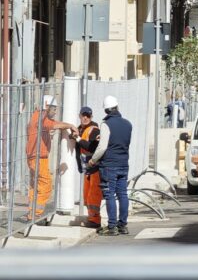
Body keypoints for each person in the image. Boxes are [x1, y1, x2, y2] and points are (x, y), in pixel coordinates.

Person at [25, 95, 78, 223]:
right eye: (54, 109)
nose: (55, 112)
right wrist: (70, 125)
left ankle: (32, 213)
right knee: (46, 185)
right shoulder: (41, 117)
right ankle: (35, 215)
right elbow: (54, 125)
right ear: (46, 106)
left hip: (34, 156)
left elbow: (49, 126)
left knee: (35, 186)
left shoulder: (37, 116)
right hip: (38, 157)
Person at [88, 96, 132, 236]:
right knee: (123, 194)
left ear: (106, 110)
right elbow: (120, 142)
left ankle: (112, 227)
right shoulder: (128, 124)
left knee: (109, 195)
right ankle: (122, 225)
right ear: (117, 107)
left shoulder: (106, 124)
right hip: (123, 164)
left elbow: (102, 147)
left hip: (109, 165)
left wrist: (93, 160)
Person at [72, 106, 102, 229]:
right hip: (87, 168)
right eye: (83, 115)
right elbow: (78, 150)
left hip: (95, 168)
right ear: (79, 116)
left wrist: (77, 138)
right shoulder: (80, 129)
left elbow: (91, 147)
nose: (85, 118)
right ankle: (92, 218)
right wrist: (79, 165)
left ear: (91, 117)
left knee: (93, 195)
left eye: (88, 116)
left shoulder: (94, 130)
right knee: (87, 195)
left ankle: (95, 220)